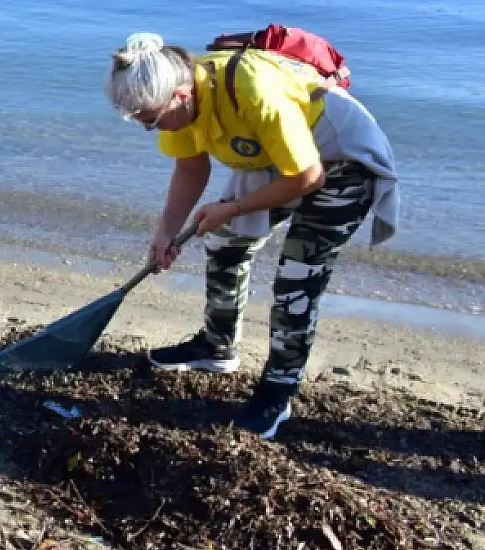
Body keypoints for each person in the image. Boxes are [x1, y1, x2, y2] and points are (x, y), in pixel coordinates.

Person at [105, 32, 397, 438]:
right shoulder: (178, 96)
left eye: (150, 120)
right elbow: (190, 168)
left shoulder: (253, 92)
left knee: (296, 280)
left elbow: (308, 177)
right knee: (224, 243)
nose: (147, 128)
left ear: (182, 95)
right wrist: (165, 233)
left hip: (341, 163)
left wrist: (233, 207)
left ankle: (278, 390)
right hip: (274, 157)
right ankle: (217, 346)